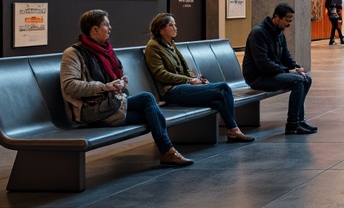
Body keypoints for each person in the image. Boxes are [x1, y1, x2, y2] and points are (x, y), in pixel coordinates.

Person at [60, 9, 192, 166]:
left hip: (112, 103)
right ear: (94, 29)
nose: (110, 28)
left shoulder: (106, 50)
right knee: (148, 100)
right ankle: (167, 151)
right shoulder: (74, 54)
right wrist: (105, 87)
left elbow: (112, 78)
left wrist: (120, 82)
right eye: (106, 25)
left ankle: (167, 151)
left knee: (153, 116)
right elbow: (69, 86)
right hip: (92, 110)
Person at [145, 13, 253, 143]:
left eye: (175, 24)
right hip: (172, 91)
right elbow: (161, 73)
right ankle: (234, 130)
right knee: (223, 88)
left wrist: (196, 79)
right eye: (171, 25)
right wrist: (188, 80)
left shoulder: (171, 44)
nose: (175, 28)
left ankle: (233, 130)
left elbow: (185, 68)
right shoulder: (153, 47)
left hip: (185, 86)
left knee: (218, 101)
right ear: (161, 30)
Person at [244, 3, 316, 135]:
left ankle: (299, 120)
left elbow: (286, 57)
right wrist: (287, 71)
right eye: (287, 20)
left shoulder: (279, 33)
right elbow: (263, 63)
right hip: (258, 77)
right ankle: (292, 124)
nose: (289, 24)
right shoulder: (259, 33)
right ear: (276, 18)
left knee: (306, 79)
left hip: (271, 74)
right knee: (297, 81)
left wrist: (296, 67)